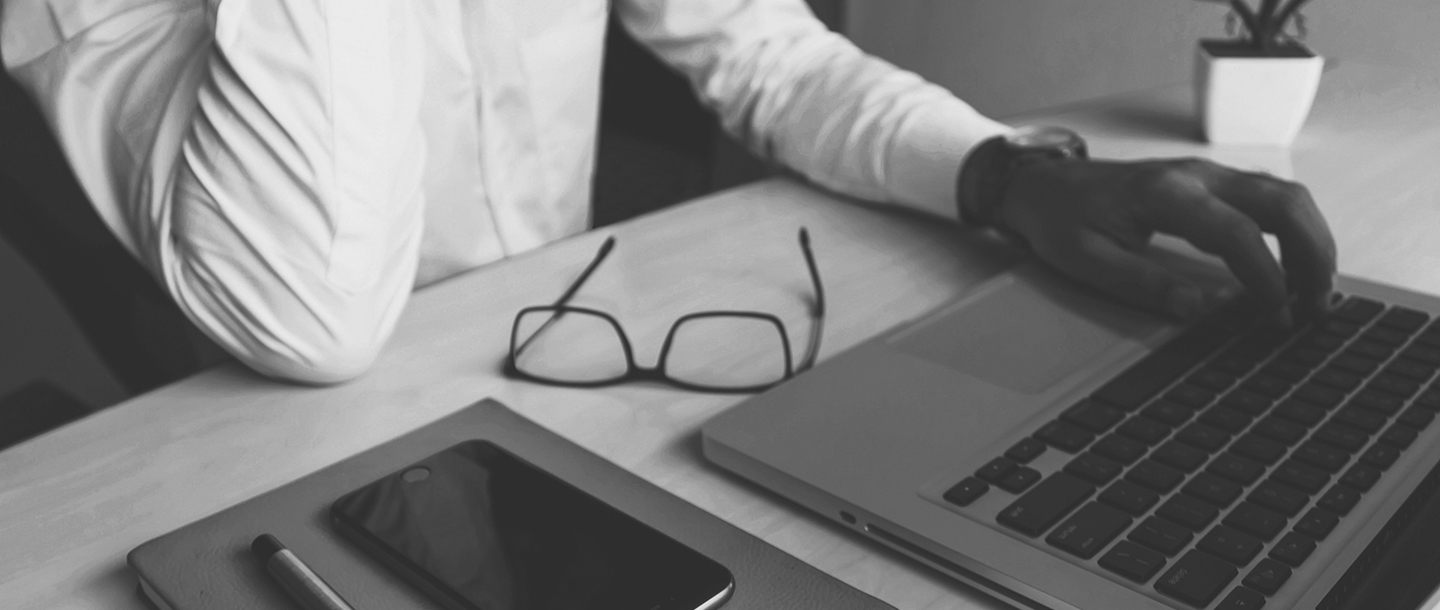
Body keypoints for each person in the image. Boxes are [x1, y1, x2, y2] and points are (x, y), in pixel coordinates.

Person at [0, 0, 1334, 384]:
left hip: (561, 368)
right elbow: (307, 315)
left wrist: (1006, 174)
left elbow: (760, 48)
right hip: (250, 451)